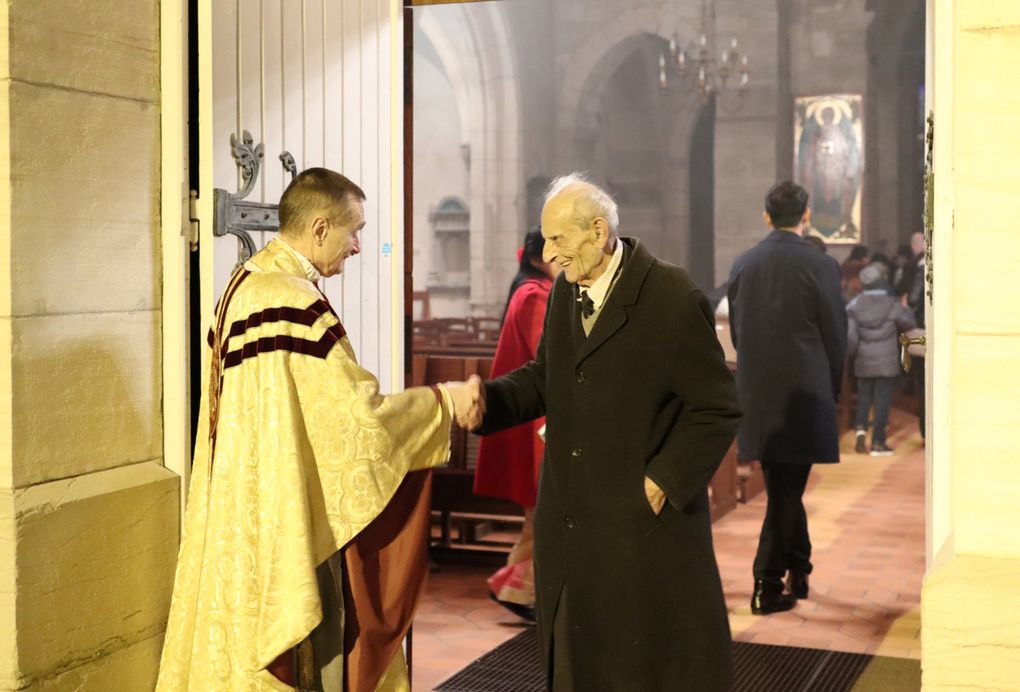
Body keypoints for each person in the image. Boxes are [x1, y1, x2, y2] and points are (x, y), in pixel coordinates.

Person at [156, 168, 483, 691]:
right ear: (321, 227)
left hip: (240, 504)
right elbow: (359, 425)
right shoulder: (291, 300)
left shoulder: (242, 287)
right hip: (282, 510)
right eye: (354, 232)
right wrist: (442, 404)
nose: (357, 247)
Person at [468, 173, 741, 691]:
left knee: (641, 668)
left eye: (558, 240)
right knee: (577, 664)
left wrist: (660, 483)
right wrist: (488, 401)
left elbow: (717, 407)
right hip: (570, 518)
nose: (549, 255)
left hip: (639, 526)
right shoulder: (566, 294)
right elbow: (544, 378)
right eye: (546, 240)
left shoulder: (671, 295)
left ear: (598, 231)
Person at [727, 181, 847, 616]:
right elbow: (836, 335)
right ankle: (765, 582)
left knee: (785, 486)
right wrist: (830, 387)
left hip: (759, 392)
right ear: (806, 215)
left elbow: (738, 334)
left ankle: (800, 567)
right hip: (805, 391)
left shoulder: (744, 263)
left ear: (766, 217)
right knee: (785, 491)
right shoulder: (821, 265)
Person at [474, 228, 558, 621]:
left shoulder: (532, 289)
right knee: (541, 513)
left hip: (530, 420)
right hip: (532, 424)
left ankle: (516, 587)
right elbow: (549, 353)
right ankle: (517, 588)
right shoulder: (534, 295)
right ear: (541, 258)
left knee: (539, 516)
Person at [848, 264, 917, 456]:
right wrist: (905, 307)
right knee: (882, 400)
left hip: (863, 358)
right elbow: (909, 323)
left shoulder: (855, 305)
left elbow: (851, 337)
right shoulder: (892, 304)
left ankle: (860, 432)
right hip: (886, 359)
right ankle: (878, 442)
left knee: (864, 398)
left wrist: (852, 355)